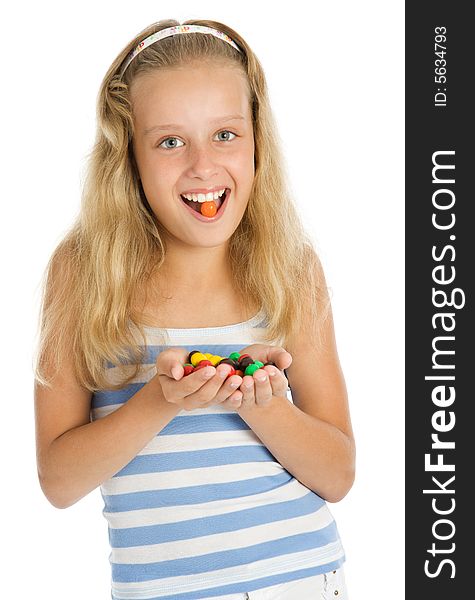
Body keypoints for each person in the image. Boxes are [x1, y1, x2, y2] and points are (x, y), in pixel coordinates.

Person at [34, 19, 355, 600]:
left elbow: (338, 474)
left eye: (226, 134)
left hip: (302, 580)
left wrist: (265, 408)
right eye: (170, 141)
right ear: (127, 156)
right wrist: (157, 401)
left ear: (257, 139)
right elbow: (58, 481)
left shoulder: (290, 266)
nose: (203, 166)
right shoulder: (83, 271)